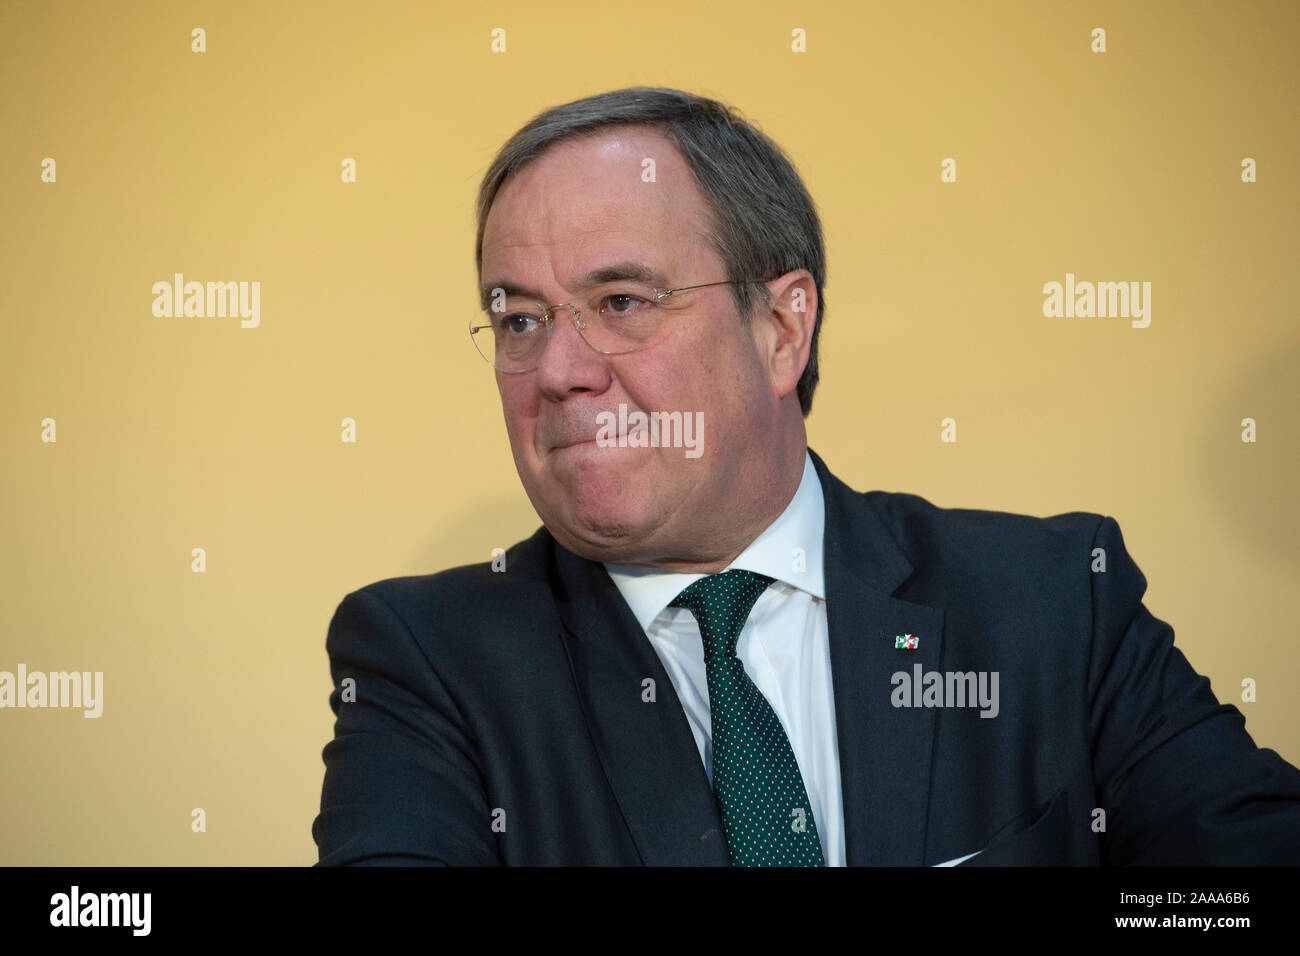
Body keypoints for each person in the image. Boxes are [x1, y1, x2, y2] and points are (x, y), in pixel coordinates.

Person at [311, 86, 1300, 866]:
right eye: (519, 318)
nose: (560, 368)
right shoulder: (427, 662)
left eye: (619, 300)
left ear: (782, 329)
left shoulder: (1049, 602)